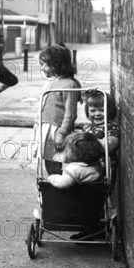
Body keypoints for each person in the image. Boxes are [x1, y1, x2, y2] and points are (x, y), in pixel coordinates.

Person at [34, 43, 82, 175]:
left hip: (57, 130)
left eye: (44, 64)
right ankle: (53, 186)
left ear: (56, 65)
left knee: (56, 161)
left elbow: (70, 114)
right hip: (46, 128)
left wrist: (61, 133)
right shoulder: (50, 81)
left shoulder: (69, 84)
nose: (42, 68)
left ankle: (58, 188)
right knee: (48, 161)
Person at [82, 90, 120, 178]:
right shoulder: (89, 126)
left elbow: (110, 144)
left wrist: (87, 143)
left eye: (102, 110)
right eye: (92, 110)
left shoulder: (111, 127)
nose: (97, 114)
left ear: (110, 111)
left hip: (101, 168)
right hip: (88, 165)